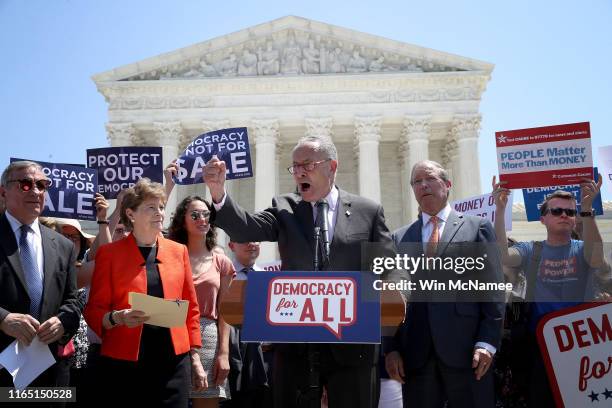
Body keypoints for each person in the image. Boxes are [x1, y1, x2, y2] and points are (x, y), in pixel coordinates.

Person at [204, 134, 397, 408]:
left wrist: (396, 292)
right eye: (295, 166)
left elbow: (388, 265)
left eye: (307, 164)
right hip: (296, 347)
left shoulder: (368, 211)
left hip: (353, 347)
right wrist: (218, 194)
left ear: (331, 166)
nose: (299, 172)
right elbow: (246, 227)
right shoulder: (285, 208)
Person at [385, 160, 504, 408]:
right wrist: (391, 348)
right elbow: (390, 298)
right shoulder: (399, 238)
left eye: (429, 179)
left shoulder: (477, 228)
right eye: (416, 182)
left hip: (467, 352)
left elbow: (492, 289)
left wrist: (487, 341)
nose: (423, 185)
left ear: (447, 184)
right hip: (416, 357)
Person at [84, 178, 205, 407]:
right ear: (130, 214)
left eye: (161, 207)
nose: (159, 212)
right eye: (151, 207)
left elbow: (191, 308)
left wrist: (195, 356)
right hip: (124, 364)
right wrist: (116, 317)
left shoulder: (178, 251)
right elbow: (94, 308)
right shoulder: (109, 254)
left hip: (174, 363)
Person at [492, 175, 606, 407]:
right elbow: (503, 256)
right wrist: (500, 211)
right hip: (540, 348)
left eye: (569, 212)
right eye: (556, 211)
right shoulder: (530, 250)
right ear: (543, 219)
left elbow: (596, 259)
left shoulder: (583, 249)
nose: (564, 215)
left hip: (581, 346)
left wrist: (586, 209)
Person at [0, 160, 81, 392]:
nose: (35, 191)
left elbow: (73, 300)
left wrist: (63, 322)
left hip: (51, 371)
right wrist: (3, 319)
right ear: (3, 191)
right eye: (26, 184)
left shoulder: (63, 246)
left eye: (42, 185)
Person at [167, 194, 235, 408]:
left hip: (209, 338)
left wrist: (224, 354)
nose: (202, 219)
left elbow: (226, 312)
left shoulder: (222, 262)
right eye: (195, 214)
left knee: (206, 403)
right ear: (182, 221)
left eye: (206, 214)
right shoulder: (170, 257)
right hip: (173, 334)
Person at [224, 241, 274, 408]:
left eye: (256, 240)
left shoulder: (268, 278)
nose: (252, 244)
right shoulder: (225, 275)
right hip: (237, 360)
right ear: (231, 246)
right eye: (245, 240)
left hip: (267, 359)